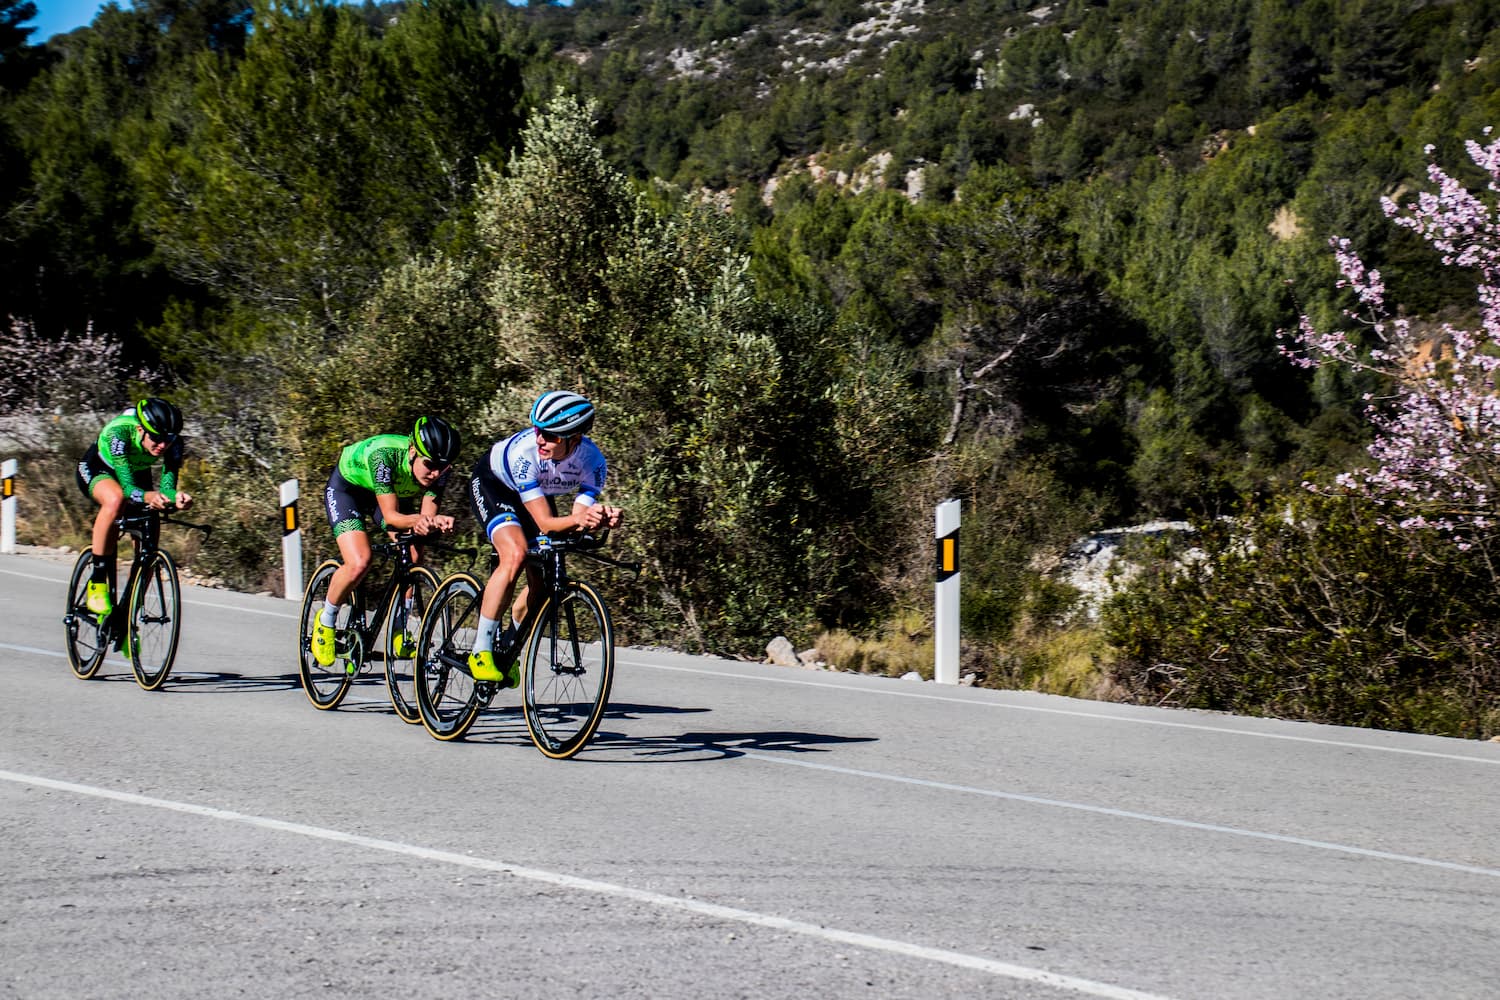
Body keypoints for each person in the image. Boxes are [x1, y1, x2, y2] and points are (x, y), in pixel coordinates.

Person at [465, 390, 623, 685]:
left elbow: (577, 521)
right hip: (495, 485)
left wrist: (599, 520)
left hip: (534, 496)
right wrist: (579, 520)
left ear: (574, 438)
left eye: (551, 436)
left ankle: (508, 649)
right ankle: (481, 649)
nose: (540, 439)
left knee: (546, 584)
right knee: (515, 553)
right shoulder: (526, 454)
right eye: (538, 430)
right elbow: (547, 523)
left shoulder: (594, 462)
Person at [311, 415, 462, 667]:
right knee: (360, 561)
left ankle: (399, 628)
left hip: (384, 494)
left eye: (442, 468)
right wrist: (423, 521)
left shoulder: (440, 469)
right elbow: (392, 517)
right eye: (430, 465)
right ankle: (325, 622)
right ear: (413, 451)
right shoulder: (385, 455)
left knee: (414, 552)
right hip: (348, 491)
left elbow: (425, 518)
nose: (435, 473)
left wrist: (433, 522)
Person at [75, 397, 193, 617]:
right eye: (156, 438)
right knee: (116, 500)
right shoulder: (119, 434)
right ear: (140, 429)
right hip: (100, 469)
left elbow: (167, 487)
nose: (162, 445)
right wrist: (149, 496)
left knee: (151, 534)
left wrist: (176, 497)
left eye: (168, 439)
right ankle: (98, 582)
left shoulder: (172, 443)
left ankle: (128, 612)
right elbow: (128, 489)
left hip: (136, 473)